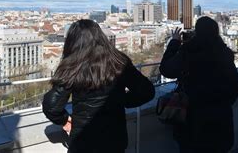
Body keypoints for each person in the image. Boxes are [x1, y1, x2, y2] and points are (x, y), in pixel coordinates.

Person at [42, 19, 155, 153]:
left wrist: (65, 120)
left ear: (73, 42)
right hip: (114, 140)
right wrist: (122, 100)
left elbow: (51, 105)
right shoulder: (118, 61)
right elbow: (146, 91)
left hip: (83, 142)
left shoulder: (72, 65)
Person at [160, 16, 238, 153]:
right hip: (221, 121)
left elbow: (166, 70)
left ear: (197, 32)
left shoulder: (189, 52)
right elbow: (235, 86)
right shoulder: (225, 54)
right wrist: (222, 104)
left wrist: (174, 43)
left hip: (193, 121)